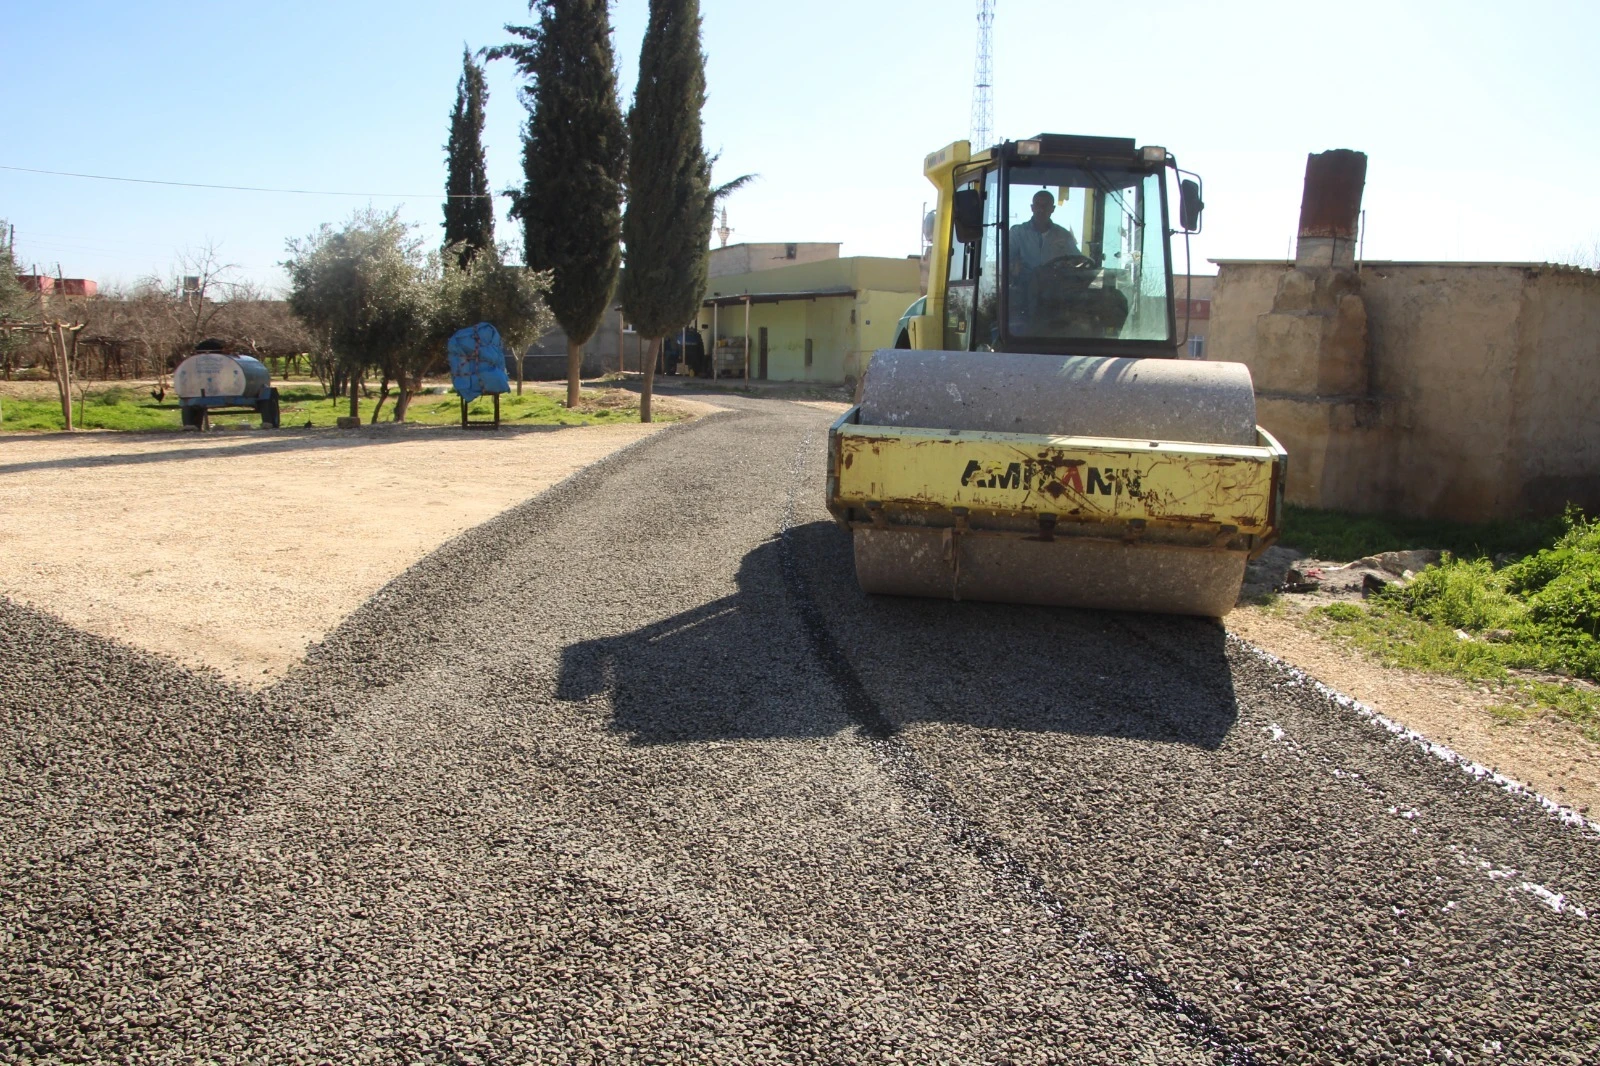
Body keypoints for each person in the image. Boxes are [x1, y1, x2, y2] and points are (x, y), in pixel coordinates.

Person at [1009, 190, 1081, 276]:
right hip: (1023, 287)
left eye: (1046, 205)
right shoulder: (1017, 233)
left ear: (1052, 209)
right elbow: (1006, 262)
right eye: (1037, 205)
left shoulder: (1063, 235)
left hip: (1056, 286)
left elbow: (1078, 261)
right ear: (1032, 208)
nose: (1041, 209)